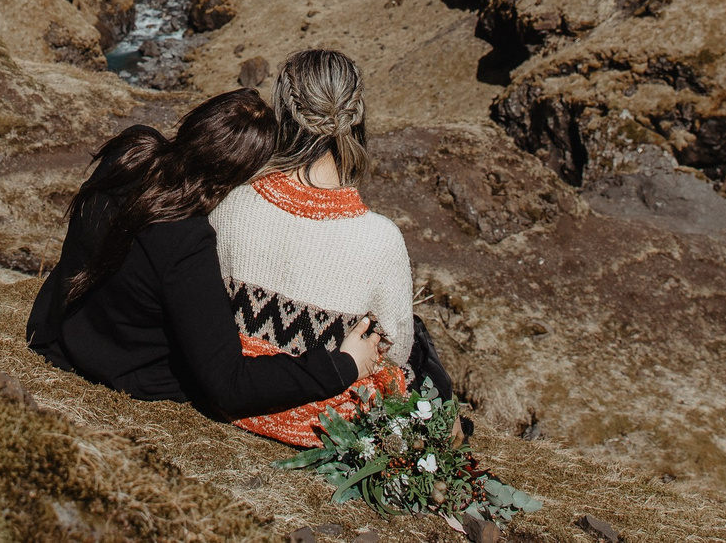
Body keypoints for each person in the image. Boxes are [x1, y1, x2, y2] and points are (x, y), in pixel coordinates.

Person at [26, 89, 386, 421]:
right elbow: (229, 385)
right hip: (125, 372)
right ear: (240, 177)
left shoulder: (131, 149)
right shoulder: (185, 242)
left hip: (59, 333)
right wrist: (342, 366)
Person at [212, 48, 452, 446]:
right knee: (418, 348)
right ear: (356, 118)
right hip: (325, 422)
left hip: (237, 393)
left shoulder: (230, 202)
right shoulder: (380, 238)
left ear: (283, 112)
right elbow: (395, 351)